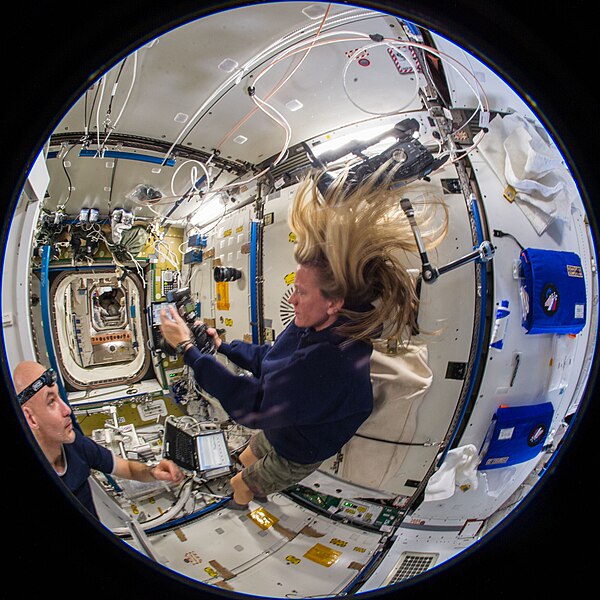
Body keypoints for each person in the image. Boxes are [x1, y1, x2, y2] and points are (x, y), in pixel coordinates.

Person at [159, 162, 447, 510]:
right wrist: (224, 348)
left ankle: (240, 500)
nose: (292, 299)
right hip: (287, 424)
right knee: (250, 453)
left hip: (303, 445)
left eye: (302, 293)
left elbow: (252, 404)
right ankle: (246, 473)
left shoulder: (329, 361)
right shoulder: (311, 324)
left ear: (333, 304)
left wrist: (188, 349)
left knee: (242, 481)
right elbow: (272, 357)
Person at [13, 360, 185, 519]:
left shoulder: (76, 445)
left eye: (60, 397)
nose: (67, 410)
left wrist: (153, 472)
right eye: (51, 401)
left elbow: (127, 469)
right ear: (31, 418)